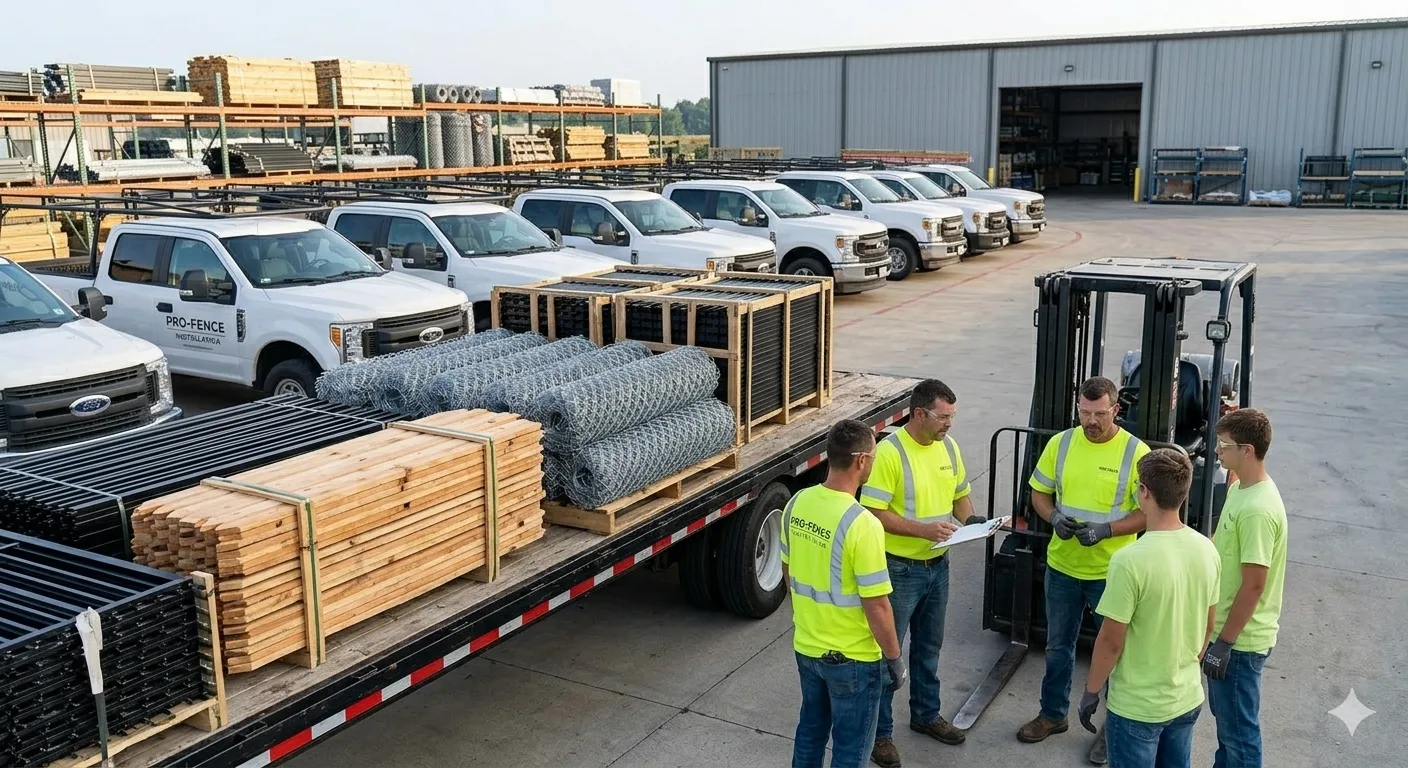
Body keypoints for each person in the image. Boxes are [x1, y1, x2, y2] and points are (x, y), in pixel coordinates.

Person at [1018, 376, 1150, 766]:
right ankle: (1053, 714)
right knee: (1059, 647)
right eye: (1085, 412)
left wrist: (1108, 529)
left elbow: (1147, 512)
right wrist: (1054, 516)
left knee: (1117, 653)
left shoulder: (1135, 453)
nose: (1091, 421)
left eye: (1100, 413)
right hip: (1063, 568)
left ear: (1116, 410)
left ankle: (1116, 728)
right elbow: (1039, 493)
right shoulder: (1061, 444)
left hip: (1113, 573)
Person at [859, 380, 984, 768]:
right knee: (887, 654)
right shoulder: (890, 453)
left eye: (952, 416)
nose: (949, 424)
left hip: (938, 566)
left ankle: (926, 715)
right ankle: (879, 734)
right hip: (899, 570)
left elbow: (959, 494)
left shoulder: (948, 447)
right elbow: (874, 513)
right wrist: (924, 530)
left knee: (929, 647)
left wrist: (973, 520)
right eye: (943, 417)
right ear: (918, 414)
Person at [1077, 448, 1221, 768]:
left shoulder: (1129, 561)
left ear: (1144, 492)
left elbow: (1111, 642)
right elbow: (1209, 624)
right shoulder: (1206, 550)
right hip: (1186, 699)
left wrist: (1091, 691)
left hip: (1137, 708)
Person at [785, 419, 907, 768]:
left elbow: (788, 573)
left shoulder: (797, 504)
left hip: (807, 646)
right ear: (860, 461)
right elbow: (878, 605)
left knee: (809, 733)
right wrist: (894, 658)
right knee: (850, 750)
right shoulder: (861, 522)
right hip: (853, 658)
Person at [1203, 409, 1287, 768]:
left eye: (1224, 446)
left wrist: (1224, 642)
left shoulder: (1257, 510)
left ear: (1248, 450)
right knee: (1228, 730)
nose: (1218, 452)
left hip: (1240, 643)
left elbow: (1254, 585)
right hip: (1226, 633)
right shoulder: (1240, 487)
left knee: (1239, 736)